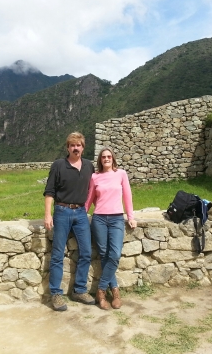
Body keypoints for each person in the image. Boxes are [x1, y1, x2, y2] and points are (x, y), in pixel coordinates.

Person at [43, 131, 96, 311]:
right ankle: (56, 294)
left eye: (78, 145)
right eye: (72, 145)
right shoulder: (59, 165)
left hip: (81, 212)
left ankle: (79, 290)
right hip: (62, 211)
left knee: (86, 252)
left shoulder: (89, 166)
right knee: (57, 254)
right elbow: (49, 191)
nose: (75, 148)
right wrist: (48, 214)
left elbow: (93, 189)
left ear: (83, 147)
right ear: (68, 147)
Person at [85, 147, 137, 310]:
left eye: (109, 156)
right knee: (104, 254)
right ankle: (115, 292)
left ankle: (101, 290)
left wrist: (131, 216)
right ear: (100, 160)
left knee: (114, 254)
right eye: (103, 157)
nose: (106, 159)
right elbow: (89, 198)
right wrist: (81, 215)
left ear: (113, 159)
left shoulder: (121, 174)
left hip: (116, 219)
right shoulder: (95, 177)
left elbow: (127, 196)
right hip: (99, 218)